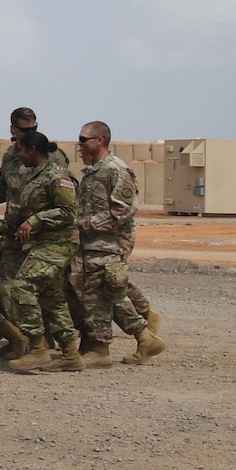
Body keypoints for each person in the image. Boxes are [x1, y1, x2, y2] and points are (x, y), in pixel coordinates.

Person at [0, 131, 80, 373]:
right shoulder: (32, 177)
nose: (18, 156)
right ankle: (70, 354)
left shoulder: (57, 176)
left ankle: (37, 349)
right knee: (52, 297)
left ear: (32, 150)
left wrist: (36, 220)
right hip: (41, 244)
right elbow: (21, 215)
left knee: (22, 287)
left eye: (21, 151)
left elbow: (68, 212)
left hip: (58, 244)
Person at [74, 122, 166, 366]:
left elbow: (122, 211)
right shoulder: (93, 171)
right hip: (93, 244)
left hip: (109, 244)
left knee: (102, 295)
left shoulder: (116, 170)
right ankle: (145, 338)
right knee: (108, 295)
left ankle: (101, 349)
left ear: (100, 140)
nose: (79, 145)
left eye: (83, 139)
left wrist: (82, 225)